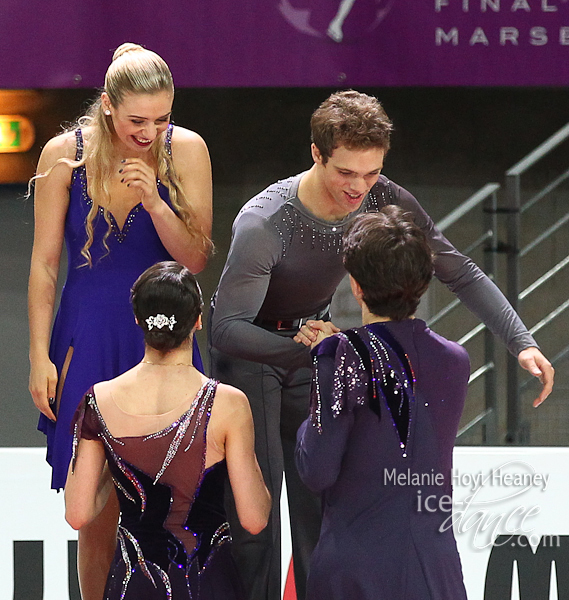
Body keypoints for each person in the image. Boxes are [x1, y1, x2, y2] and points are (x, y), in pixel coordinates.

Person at [208, 90, 553, 600]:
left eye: (370, 174)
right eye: (346, 172)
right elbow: (225, 328)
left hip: (316, 348)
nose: (359, 188)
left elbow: (460, 271)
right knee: (253, 527)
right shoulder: (265, 221)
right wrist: (314, 352)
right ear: (316, 154)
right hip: (252, 352)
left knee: (317, 511)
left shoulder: (382, 195)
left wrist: (520, 340)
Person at [28, 43, 212, 600]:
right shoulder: (64, 154)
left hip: (164, 337)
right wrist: (38, 355)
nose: (150, 132)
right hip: (89, 336)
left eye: (162, 119)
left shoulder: (188, 151)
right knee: (95, 511)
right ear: (107, 105)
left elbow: (198, 259)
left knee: (175, 502)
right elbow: (42, 265)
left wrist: (157, 203)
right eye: (137, 120)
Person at [65, 261, 271, 600]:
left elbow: (78, 513)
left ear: (138, 321)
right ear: (198, 320)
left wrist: (118, 465)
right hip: (207, 582)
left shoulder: (98, 400)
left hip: (136, 584)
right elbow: (254, 518)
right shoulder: (228, 404)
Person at [296, 207, 469, 599]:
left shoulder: (340, 356)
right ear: (422, 283)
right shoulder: (456, 359)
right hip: (435, 570)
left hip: (356, 570)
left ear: (355, 286)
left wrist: (327, 362)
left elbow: (317, 469)